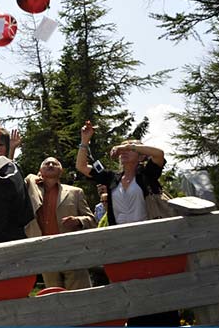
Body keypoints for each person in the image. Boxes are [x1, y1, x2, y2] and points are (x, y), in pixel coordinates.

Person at [75, 120, 177, 327]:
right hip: (121, 243)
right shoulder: (112, 178)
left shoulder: (147, 175)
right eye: (121, 148)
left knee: (157, 288)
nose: (123, 151)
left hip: (149, 241)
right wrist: (85, 140)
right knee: (130, 289)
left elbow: (159, 153)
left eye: (129, 149)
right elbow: (81, 166)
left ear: (140, 156)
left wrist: (129, 145)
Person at [24, 157, 97, 289]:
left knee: (80, 294)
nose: (51, 165)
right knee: (54, 295)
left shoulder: (75, 192)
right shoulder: (31, 190)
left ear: (61, 171)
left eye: (55, 163)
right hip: (44, 251)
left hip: (72, 250)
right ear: (40, 170)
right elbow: (22, 179)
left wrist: (78, 221)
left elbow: (92, 220)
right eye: (46, 163)